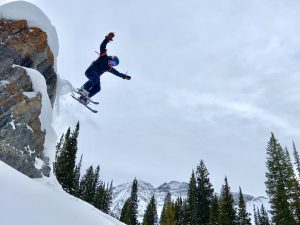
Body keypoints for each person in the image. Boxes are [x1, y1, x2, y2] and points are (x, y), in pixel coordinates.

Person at [78, 32, 131, 104]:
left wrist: (124, 76)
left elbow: (117, 73)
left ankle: (85, 97)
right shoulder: (104, 57)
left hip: (95, 77)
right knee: (96, 78)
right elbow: (102, 46)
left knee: (98, 88)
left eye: (114, 64)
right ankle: (83, 89)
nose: (112, 64)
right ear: (111, 58)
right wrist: (107, 39)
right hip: (90, 71)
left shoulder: (108, 68)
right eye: (113, 62)